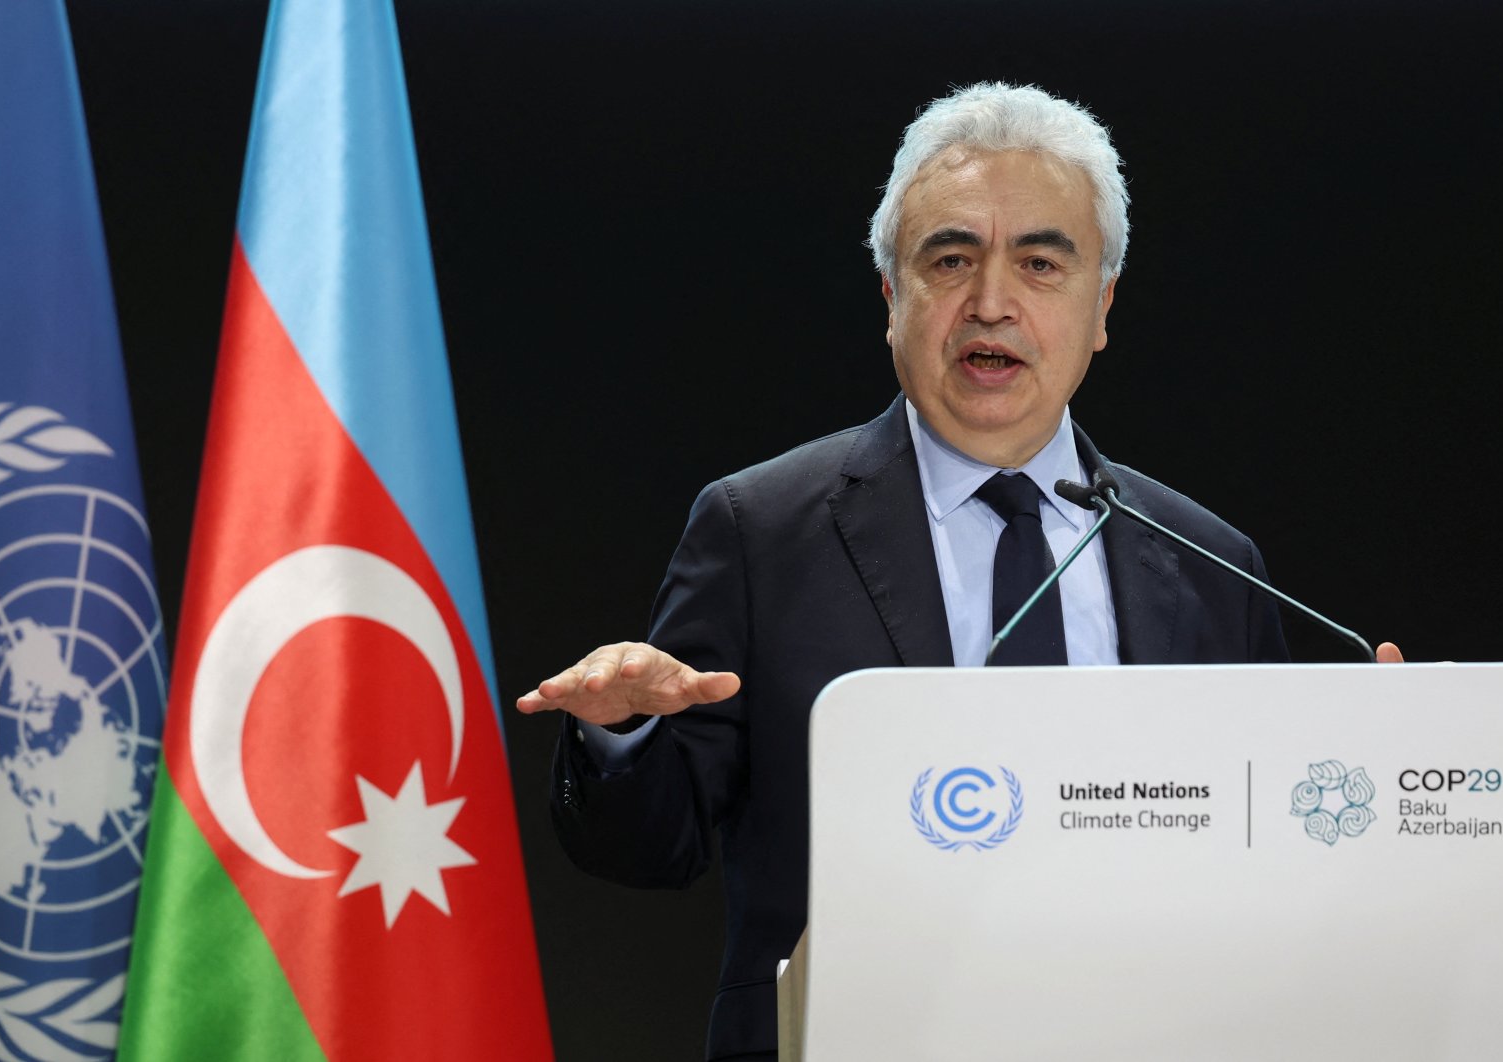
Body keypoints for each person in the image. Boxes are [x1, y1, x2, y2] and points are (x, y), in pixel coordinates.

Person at [516, 82, 1403, 1062]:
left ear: (1100, 306)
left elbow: (1266, 874)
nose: (991, 301)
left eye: (1039, 261)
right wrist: (623, 735)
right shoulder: (759, 532)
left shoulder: (1212, 567)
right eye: (950, 259)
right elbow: (652, 848)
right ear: (893, 297)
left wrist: (1380, 776)